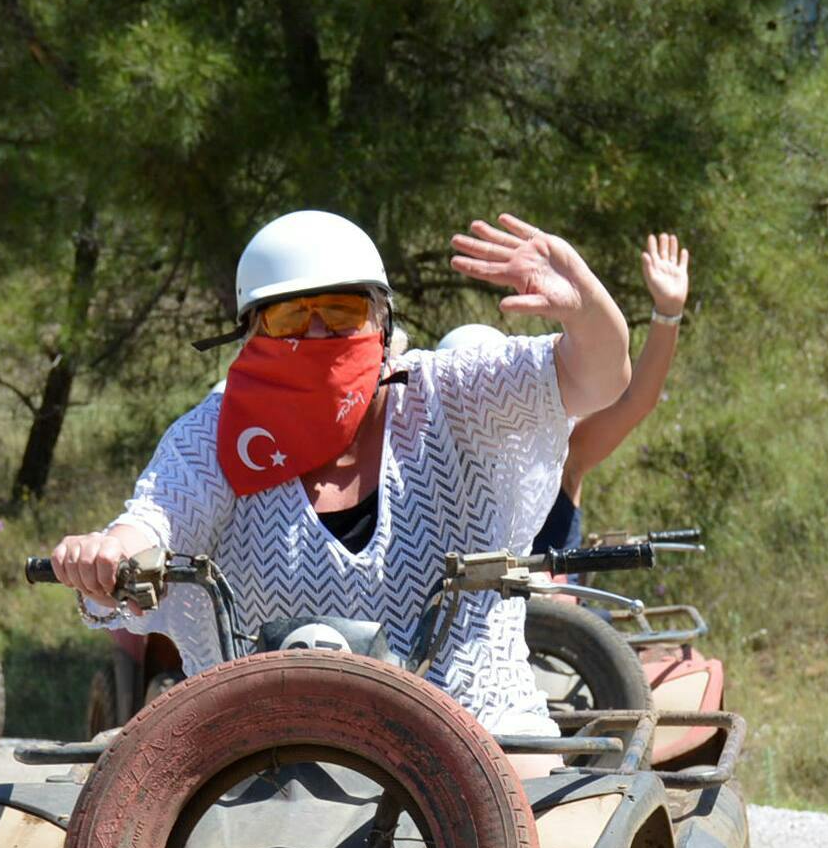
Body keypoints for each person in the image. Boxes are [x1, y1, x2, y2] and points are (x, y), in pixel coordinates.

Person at [47, 208, 631, 747]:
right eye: (291, 316)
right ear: (251, 331)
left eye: (344, 311)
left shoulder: (452, 393)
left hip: (476, 734)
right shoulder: (215, 433)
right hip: (265, 748)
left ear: (382, 320)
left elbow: (598, 378)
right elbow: (157, 518)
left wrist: (586, 309)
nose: (320, 334)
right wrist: (110, 551)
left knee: (554, 841)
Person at [440, 231, 690, 553]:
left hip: (555, 603)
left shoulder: (559, 457)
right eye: (464, 400)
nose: (483, 412)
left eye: (490, 394)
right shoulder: (429, 478)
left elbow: (635, 400)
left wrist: (668, 312)